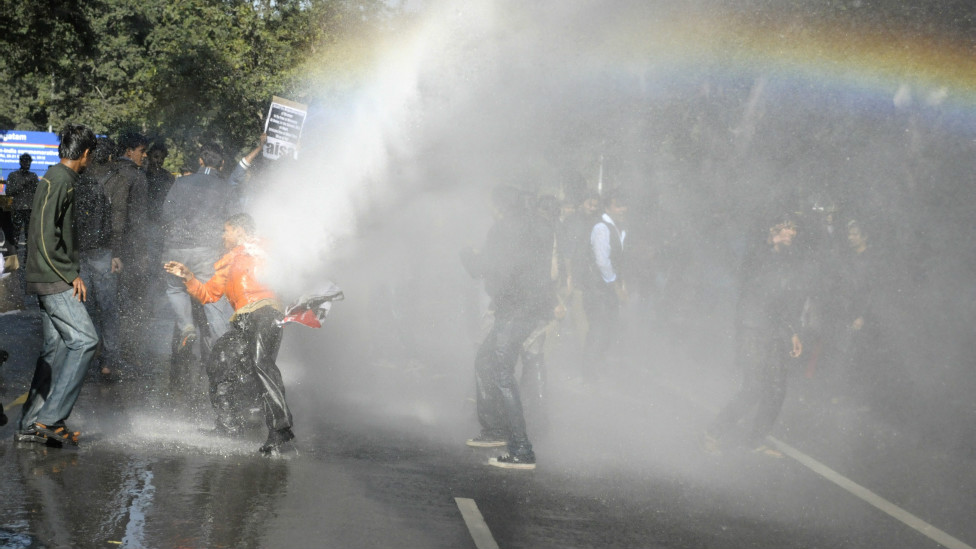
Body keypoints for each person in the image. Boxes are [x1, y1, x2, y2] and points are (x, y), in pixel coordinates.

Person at [164, 213, 295, 453]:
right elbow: (209, 294)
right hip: (242, 320)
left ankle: (280, 431)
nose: (222, 235)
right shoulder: (227, 261)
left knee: (261, 364)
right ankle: (229, 425)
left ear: (239, 230)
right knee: (218, 362)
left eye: (226, 231)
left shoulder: (265, 247)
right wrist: (189, 277)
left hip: (266, 313)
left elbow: (295, 262)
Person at [15, 124, 99, 447]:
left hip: (48, 276)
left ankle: (29, 424)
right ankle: (51, 419)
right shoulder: (60, 180)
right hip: (53, 277)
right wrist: (70, 273)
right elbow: (44, 235)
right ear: (86, 154)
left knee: (57, 347)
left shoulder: (58, 178)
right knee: (86, 340)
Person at [459, 185, 553, 470]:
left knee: (501, 372)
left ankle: (521, 448)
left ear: (498, 204)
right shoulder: (535, 225)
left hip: (514, 310)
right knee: (486, 360)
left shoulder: (502, 229)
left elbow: (484, 269)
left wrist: (467, 253)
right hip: (528, 307)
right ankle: (496, 430)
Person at [703, 214, 810, 458]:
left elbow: (783, 301)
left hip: (775, 330)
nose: (791, 235)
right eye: (786, 230)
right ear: (773, 232)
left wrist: (793, 333)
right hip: (753, 329)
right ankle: (713, 433)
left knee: (776, 389)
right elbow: (757, 289)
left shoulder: (788, 260)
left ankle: (755, 440)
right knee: (753, 387)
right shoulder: (758, 255)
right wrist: (770, 243)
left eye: (794, 231)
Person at [161, 142, 235, 363]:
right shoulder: (226, 188)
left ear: (200, 161)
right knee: (212, 297)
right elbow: (233, 222)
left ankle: (187, 327)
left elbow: (166, 213)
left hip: (176, 247)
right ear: (221, 164)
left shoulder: (181, 182)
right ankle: (222, 348)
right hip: (207, 250)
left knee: (175, 289)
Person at [75, 137, 122, 379]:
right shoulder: (117, 176)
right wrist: (116, 253)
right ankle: (108, 362)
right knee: (108, 309)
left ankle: (83, 355)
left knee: (83, 306)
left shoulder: (78, 178)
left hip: (79, 252)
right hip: (103, 252)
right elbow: (115, 219)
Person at [579, 188, 628, 382]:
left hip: (607, 288)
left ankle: (596, 367)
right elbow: (602, 261)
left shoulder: (618, 227)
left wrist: (622, 285)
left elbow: (618, 260)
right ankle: (590, 373)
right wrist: (615, 285)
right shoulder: (601, 227)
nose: (623, 209)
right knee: (598, 330)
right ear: (608, 207)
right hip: (598, 289)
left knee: (608, 329)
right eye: (619, 205)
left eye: (625, 205)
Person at [6, 153, 39, 248]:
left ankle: (28, 258)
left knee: (29, 235)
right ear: (20, 162)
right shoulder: (13, 175)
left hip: (30, 209)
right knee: (15, 234)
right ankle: (14, 255)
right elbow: (8, 191)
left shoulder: (33, 176)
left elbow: (37, 192)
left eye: (29, 162)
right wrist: (21, 186)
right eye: (25, 161)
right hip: (18, 208)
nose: (27, 164)